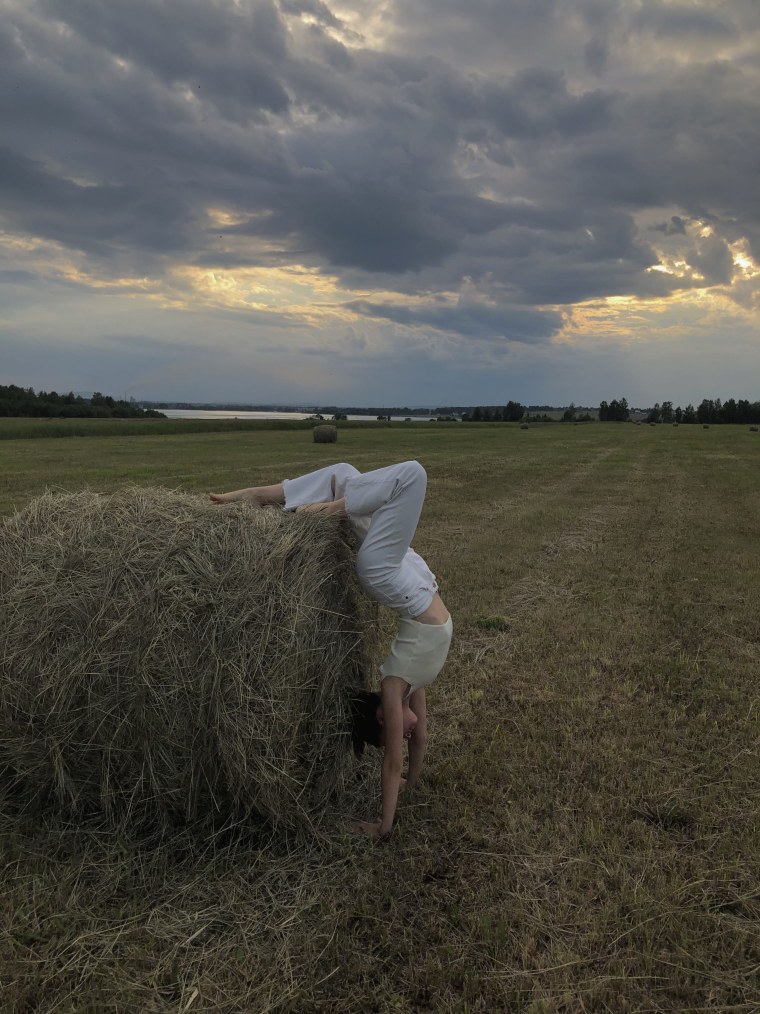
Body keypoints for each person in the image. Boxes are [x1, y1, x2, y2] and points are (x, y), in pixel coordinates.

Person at [210, 461, 452, 839]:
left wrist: (382, 825)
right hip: (404, 573)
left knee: (353, 473)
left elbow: (393, 763)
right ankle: (330, 508)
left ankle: (267, 497)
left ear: (383, 717)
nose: (408, 733)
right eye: (404, 735)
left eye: (398, 735)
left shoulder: (395, 686)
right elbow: (421, 737)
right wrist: (414, 780)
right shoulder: (413, 682)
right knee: (408, 475)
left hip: (387, 572)